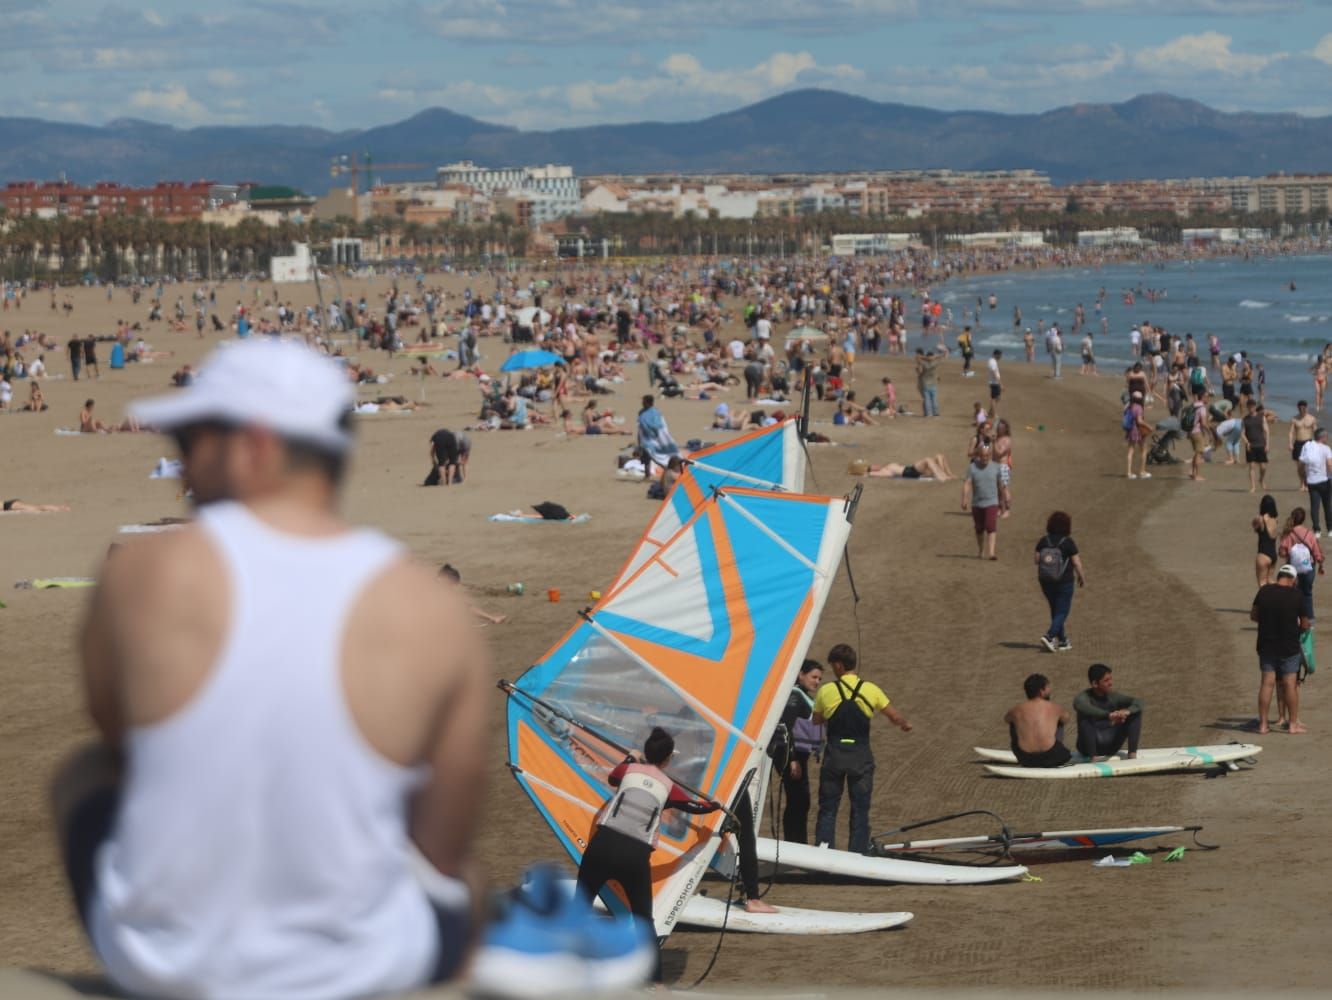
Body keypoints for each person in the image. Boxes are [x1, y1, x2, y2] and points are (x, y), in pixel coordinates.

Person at [53, 339, 488, 997]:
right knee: (470, 883)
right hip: (365, 965)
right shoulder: (431, 608)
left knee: (80, 772)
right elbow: (442, 851)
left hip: (166, 960)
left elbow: (125, 749)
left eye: (189, 443)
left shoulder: (143, 574)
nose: (178, 470)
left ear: (253, 446)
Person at [578, 727, 721, 981]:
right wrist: (716, 806)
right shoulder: (668, 786)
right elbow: (695, 807)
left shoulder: (628, 770)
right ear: (667, 759)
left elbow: (613, 778)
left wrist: (631, 758)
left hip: (602, 846)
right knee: (643, 921)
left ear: (645, 752)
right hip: (634, 855)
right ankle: (656, 985)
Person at [811, 644, 911, 854]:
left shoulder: (826, 690)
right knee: (860, 808)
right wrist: (904, 723)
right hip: (860, 757)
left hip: (835, 756)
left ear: (838, 665)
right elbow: (894, 716)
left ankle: (823, 852)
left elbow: (816, 721)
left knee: (828, 808)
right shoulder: (871, 689)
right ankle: (857, 853)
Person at [1250, 564, 1309, 734]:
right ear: (1293, 579)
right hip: (1289, 646)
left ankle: (1263, 725)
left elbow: (1254, 615)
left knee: (1266, 684)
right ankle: (1292, 725)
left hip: (1266, 645)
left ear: (1280, 576)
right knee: (1290, 684)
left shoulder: (1264, 591)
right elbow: (1305, 624)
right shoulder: (1297, 596)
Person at [772, 659, 823, 845]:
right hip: (790, 755)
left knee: (800, 801)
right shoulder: (794, 696)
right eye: (813, 677)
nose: (817, 681)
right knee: (799, 800)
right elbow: (787, 726)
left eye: (819, 678)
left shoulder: (801, 694)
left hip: (798, 755)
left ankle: (795, 842)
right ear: (801, 674)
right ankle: (794, 843)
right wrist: (792, 759)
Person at [1035, 510, 1085, 653]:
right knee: (1062, 610)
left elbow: (1036, 560)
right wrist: (1082, 577)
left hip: (1045, 580)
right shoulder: (1068, 542)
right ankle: (1050, 636)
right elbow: (1076, 563)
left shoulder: (1043, 541)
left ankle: (1062, 640)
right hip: (1064, 581)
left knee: (1055, 610)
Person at [1072, 664, 1143, 761]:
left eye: (1110, 679)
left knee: (1135, 713)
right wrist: (1108, 715)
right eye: (1106, 680)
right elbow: (1079, 705)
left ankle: (1132, 754)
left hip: (1111, 745)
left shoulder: (1113, 696)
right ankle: (1093, 758)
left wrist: (1127, 711)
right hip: (1087, 748)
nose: (1111, 683)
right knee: (1085, 717)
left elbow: (1139, 702)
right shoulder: (1084, 697)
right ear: (1095, 684)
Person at [1003, 674, 1071, 768]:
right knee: (1060, 721)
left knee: (1013, 721)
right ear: (1041, 692)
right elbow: (1066, 719)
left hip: (1025, 758)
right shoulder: (1055, 707)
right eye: (1048, 688)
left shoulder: (1016, 710)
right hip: (1052, 757)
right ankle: (1056, 746)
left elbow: (1006, 719)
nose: (1050, 690)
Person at [1277, 507, 1323, 626]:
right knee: (1307, 594)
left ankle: (1295, 619)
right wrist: (1320, 564)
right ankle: (1310, 620)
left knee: (1293, 594)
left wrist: (1287, 552)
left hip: (1293, 569)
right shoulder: (1309, 533)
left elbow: (1282, 552)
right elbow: (1316, 551)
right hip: (1309, 567)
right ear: (1303, 519)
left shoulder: (1288, 533)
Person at [961, 444, 1004, 560]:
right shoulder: (972, 467)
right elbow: (967, 483)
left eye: (987, 455)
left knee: (990, 526)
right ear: (978, 455)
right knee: (979, 528)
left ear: (990, 455)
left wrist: (1003, 501)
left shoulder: (996, 467)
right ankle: (981, 550)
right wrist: (964, 498)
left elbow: (1001, 486)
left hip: (992, 502)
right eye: (982, 455)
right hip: (977, 503)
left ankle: (991, 553)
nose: (985, 458)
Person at [1298, 427, 1332, 535]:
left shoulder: (1307, 447)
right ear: (1322, 437)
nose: (1327, 438)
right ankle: (1330, 529)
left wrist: (1303, 478)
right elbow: (1329, 465)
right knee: (1327, 505)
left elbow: (1301, 466)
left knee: (1314, 506)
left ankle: (1317, 530)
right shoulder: (1326, 448)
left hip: (1311, 481)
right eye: (1326, 436)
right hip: (1325, 481)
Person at [1241, 399, 1276, 494]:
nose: (1251, 408)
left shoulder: (1261, 418)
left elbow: (1267, 431)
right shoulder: (1245, 419)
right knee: (1251, 466)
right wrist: (1247, 443)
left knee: (1263, 467)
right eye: (1249, 406)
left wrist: (1267, 444)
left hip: (1261, 444)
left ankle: (1261, 479)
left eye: (1253, 406)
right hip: (1251, 446)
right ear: (1247, 407)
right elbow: (1242, 433)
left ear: (1255, 406)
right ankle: (1253, 486)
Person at [1123, 390, 1152, 480]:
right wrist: (1149, 426)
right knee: (1143, 450)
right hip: (1138, 430)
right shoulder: (1138, 407)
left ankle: (1129, 472)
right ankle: (1142, 471)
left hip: (1130, 429)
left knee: (1130, 451)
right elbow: (1139, 421)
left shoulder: (1128, 406)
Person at [1254, 495, 1280, 587]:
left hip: (1263, 554)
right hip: (1273, 555)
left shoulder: (1261, 519)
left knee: (1262, 583)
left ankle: (1265, 601)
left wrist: (1259, 518)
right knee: (1270, 580)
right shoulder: (1275, 520)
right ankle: (1277, 594)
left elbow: (1254, 525)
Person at [866, 454, 956, 481]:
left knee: (940, 456)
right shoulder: (885, 470)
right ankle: (942, 477)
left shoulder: (886, 465)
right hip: (911, 472)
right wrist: (870, 473)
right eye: (873, 466)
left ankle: (949, 474)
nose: (875, 465)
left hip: (913, 469)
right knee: (927, 459)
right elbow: (872, 474)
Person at [1291, 401, 1318, 487]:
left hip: (1308, 443)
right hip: (1298, 442)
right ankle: (1302, 483)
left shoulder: (1312, 418)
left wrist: (1318, 443)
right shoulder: (1294, 419)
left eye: (1303, 408)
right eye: (1300, 408)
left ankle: (1307, 482)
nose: (1302, 410)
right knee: (1299, 466)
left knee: (1307, 465)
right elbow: (1291, 432)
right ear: (1298, 408)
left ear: (1306, 407)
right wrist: (1290, 443)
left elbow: (1315, 431)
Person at [986, 349, 1003, 414]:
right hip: (994, 382)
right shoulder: (992, 362)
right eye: (1000, 355)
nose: (1000, 357)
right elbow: (994, 372)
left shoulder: (993, 361)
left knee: (997, 398)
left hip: (994, 382)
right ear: (996, 355)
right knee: (994, 398)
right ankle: (993, 414)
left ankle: (990, 411)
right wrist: (1001, 384)